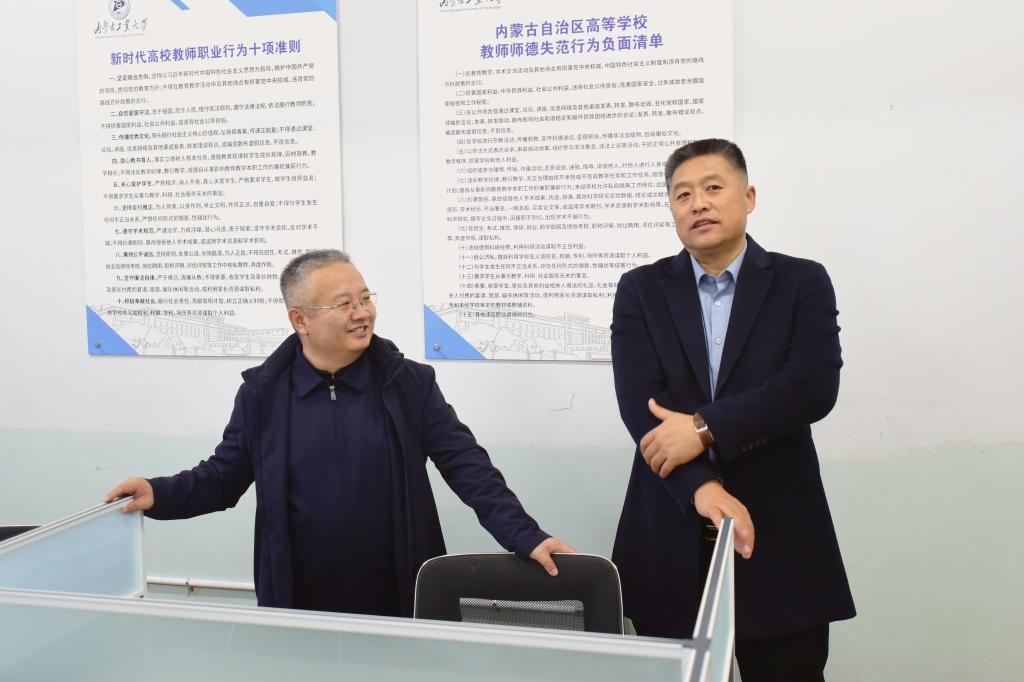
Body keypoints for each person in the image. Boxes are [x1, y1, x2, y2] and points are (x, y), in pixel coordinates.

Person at [106, 250, 573, 617]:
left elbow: (467, 465)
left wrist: (525, 536)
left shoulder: (408, 383)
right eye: (344, 304)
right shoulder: (264, 394)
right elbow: (223, 477)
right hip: (299, 598)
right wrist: (158, 493)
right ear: (300, 320)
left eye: (365, 299)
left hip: (400, 593)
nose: (362, 313)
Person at [610, 139, 855, 680]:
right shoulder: (641, 290)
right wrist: (701, 486)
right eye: (682, 195)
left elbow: (812, 387)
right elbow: (640, 406)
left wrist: (704, 428)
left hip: (779, 532)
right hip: (671, 524)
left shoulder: (801, 281)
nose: (698, 203)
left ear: (748, 197)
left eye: (713, 188)